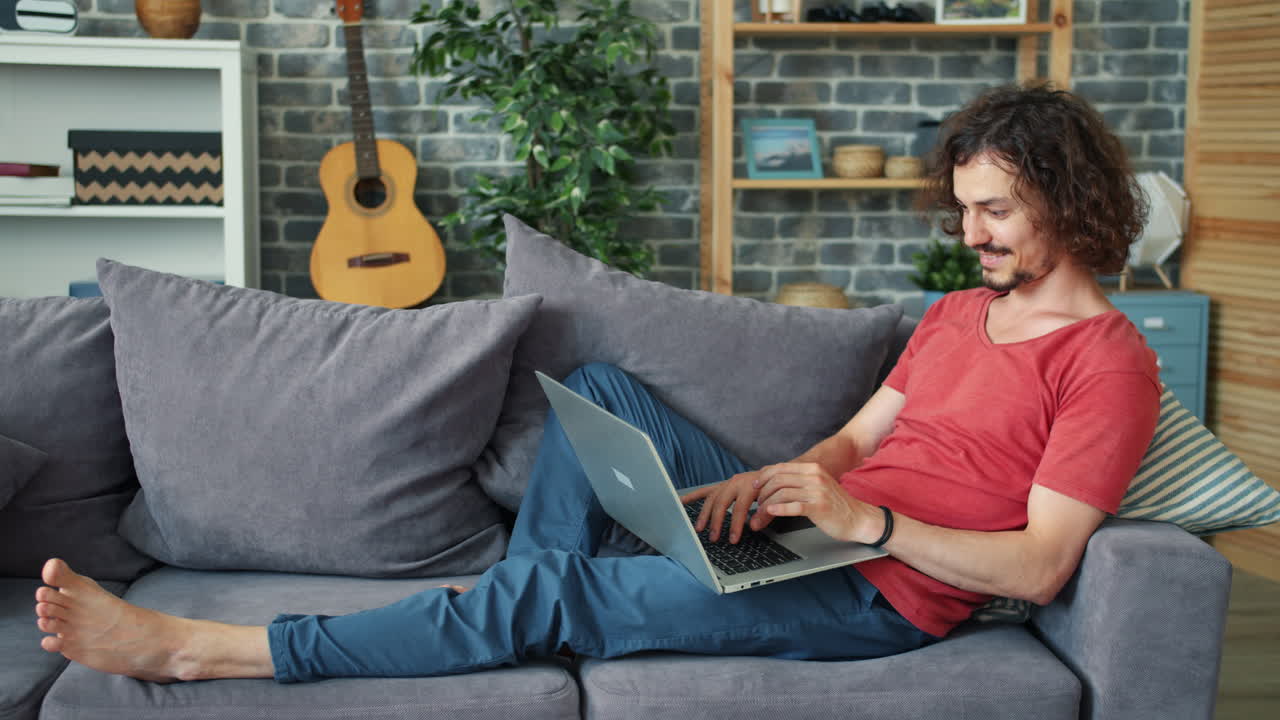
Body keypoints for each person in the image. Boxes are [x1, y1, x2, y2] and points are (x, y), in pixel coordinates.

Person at [33, 82, 1161, 684]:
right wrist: (796, 477)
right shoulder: (959, 314)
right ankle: (498, 618)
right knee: (603, 391)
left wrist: (862, 522)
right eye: (962, 207)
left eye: (994, 210)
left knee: (555, 594)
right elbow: (863, 434)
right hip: (821, 534)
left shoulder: (1108, 360)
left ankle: (204, 648)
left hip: (878, 594)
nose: (970, 233)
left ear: (1066, 196)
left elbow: (1041, 561)